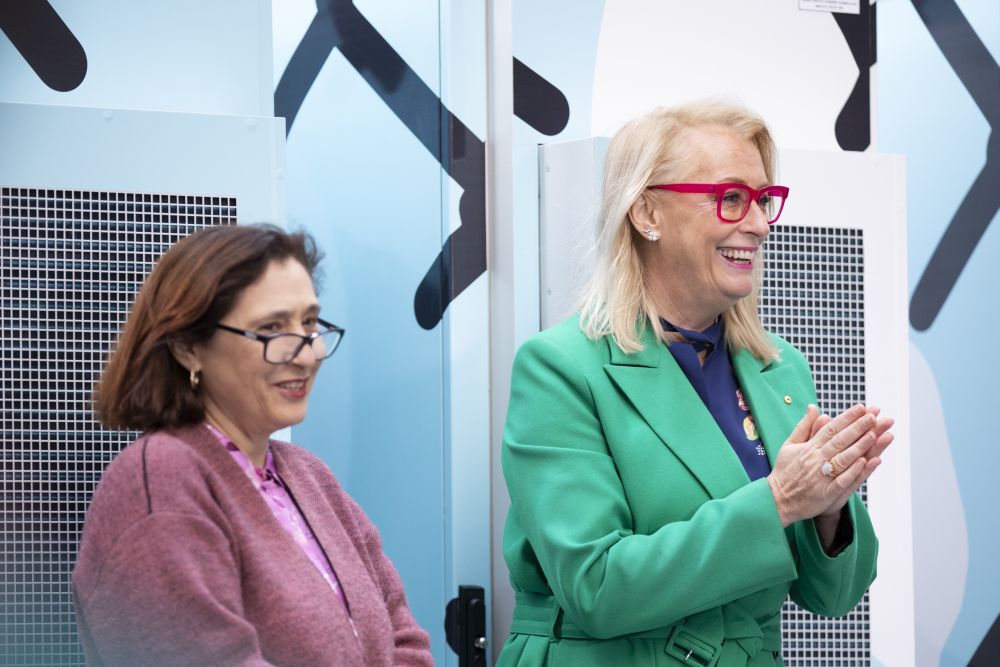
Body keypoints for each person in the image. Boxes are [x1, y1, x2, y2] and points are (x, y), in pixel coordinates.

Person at [497, 101, 894, 667]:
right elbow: (596, 588)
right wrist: (781, 499)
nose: (757, 224)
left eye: (762, 201)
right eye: (731, 198)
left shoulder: (778, 366)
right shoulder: (559, 367)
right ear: (646, 214)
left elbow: (835, 595)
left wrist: (828, 508)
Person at [73, 224, 433, 667]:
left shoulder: (307, 474)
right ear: (187, 348)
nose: (306, 354)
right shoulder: (162, 480)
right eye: (272, 329)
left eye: (309, 323)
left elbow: (404, 637)